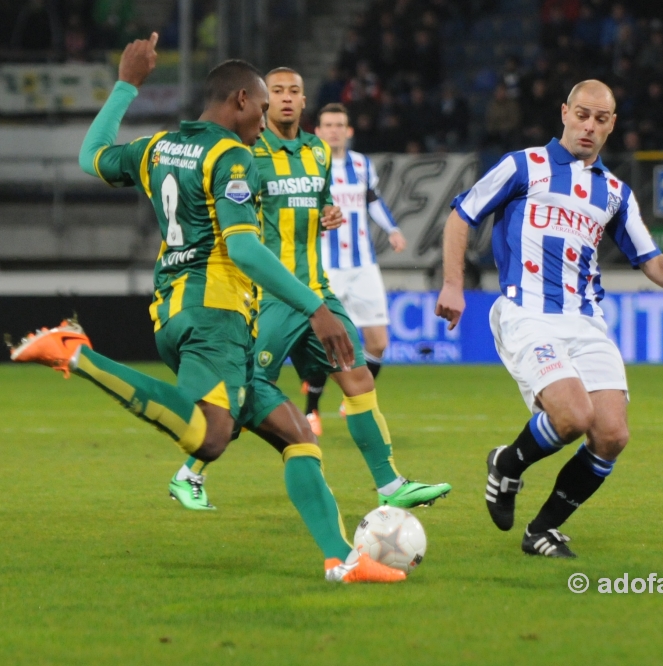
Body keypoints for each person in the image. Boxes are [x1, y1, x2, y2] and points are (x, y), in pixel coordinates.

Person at [10, 34, 402, 583]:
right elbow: (243, 247)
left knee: (298, 436)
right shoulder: (231, 155)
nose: (265, 123)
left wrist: (126, 85)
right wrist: (317, 307)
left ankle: (344, 559)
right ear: (240, 100)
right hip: (212, 310)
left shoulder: (158, 146)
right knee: (211, 437)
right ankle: (78, 354)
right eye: (263, 109)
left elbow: (90, 156)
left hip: (193, 312)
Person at [435, 80, 663, 558]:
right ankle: (508, 464)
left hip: (587, 322)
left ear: (612, 124)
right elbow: (461, 216)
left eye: (601, 119)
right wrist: (454, 284)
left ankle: (542, 531)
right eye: (582, 115)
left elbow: (651, 258)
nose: (589, 126)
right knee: (572, 416)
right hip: (528, 314)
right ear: (564, 113)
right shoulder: (523, 165)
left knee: (612, 434)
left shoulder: (615, 192)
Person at [231, 67, 450, 510]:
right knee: (244, 393)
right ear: (264, 100)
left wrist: (327, 213)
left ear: (304, 100)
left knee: (358, 373)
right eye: (278, 92)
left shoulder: (315, 151)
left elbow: (320, 201)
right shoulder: (247, 154)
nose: (287, 98)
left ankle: (390, 484)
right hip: (273, 292)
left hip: (318, 286)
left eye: (295, 91)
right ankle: (191, 468)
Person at [301, 102, 406, 435]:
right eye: (328, 124)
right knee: (324, 342)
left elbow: (372, 200)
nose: (334, 130)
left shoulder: (361, 164)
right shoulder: (309, 164)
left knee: (378, 342)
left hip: (362, 266)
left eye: (339, 125)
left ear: (348, 130)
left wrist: (392, 229)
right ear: (317, 131)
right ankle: (311, 410)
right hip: (326, 268)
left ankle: (351, 400)